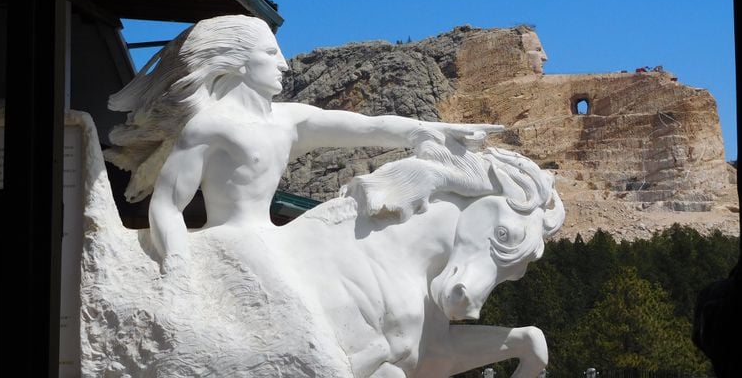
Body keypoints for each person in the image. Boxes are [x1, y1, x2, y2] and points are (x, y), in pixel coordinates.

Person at [105, 15, 502, 274]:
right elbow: (167, 205)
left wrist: (430, 131)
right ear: (240, 62)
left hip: (275, 240)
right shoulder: (210, 126)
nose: (284, 63)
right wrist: (177, 264)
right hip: (235, 246)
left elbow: (369, 127)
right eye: (270, 53)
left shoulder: (290, 119)